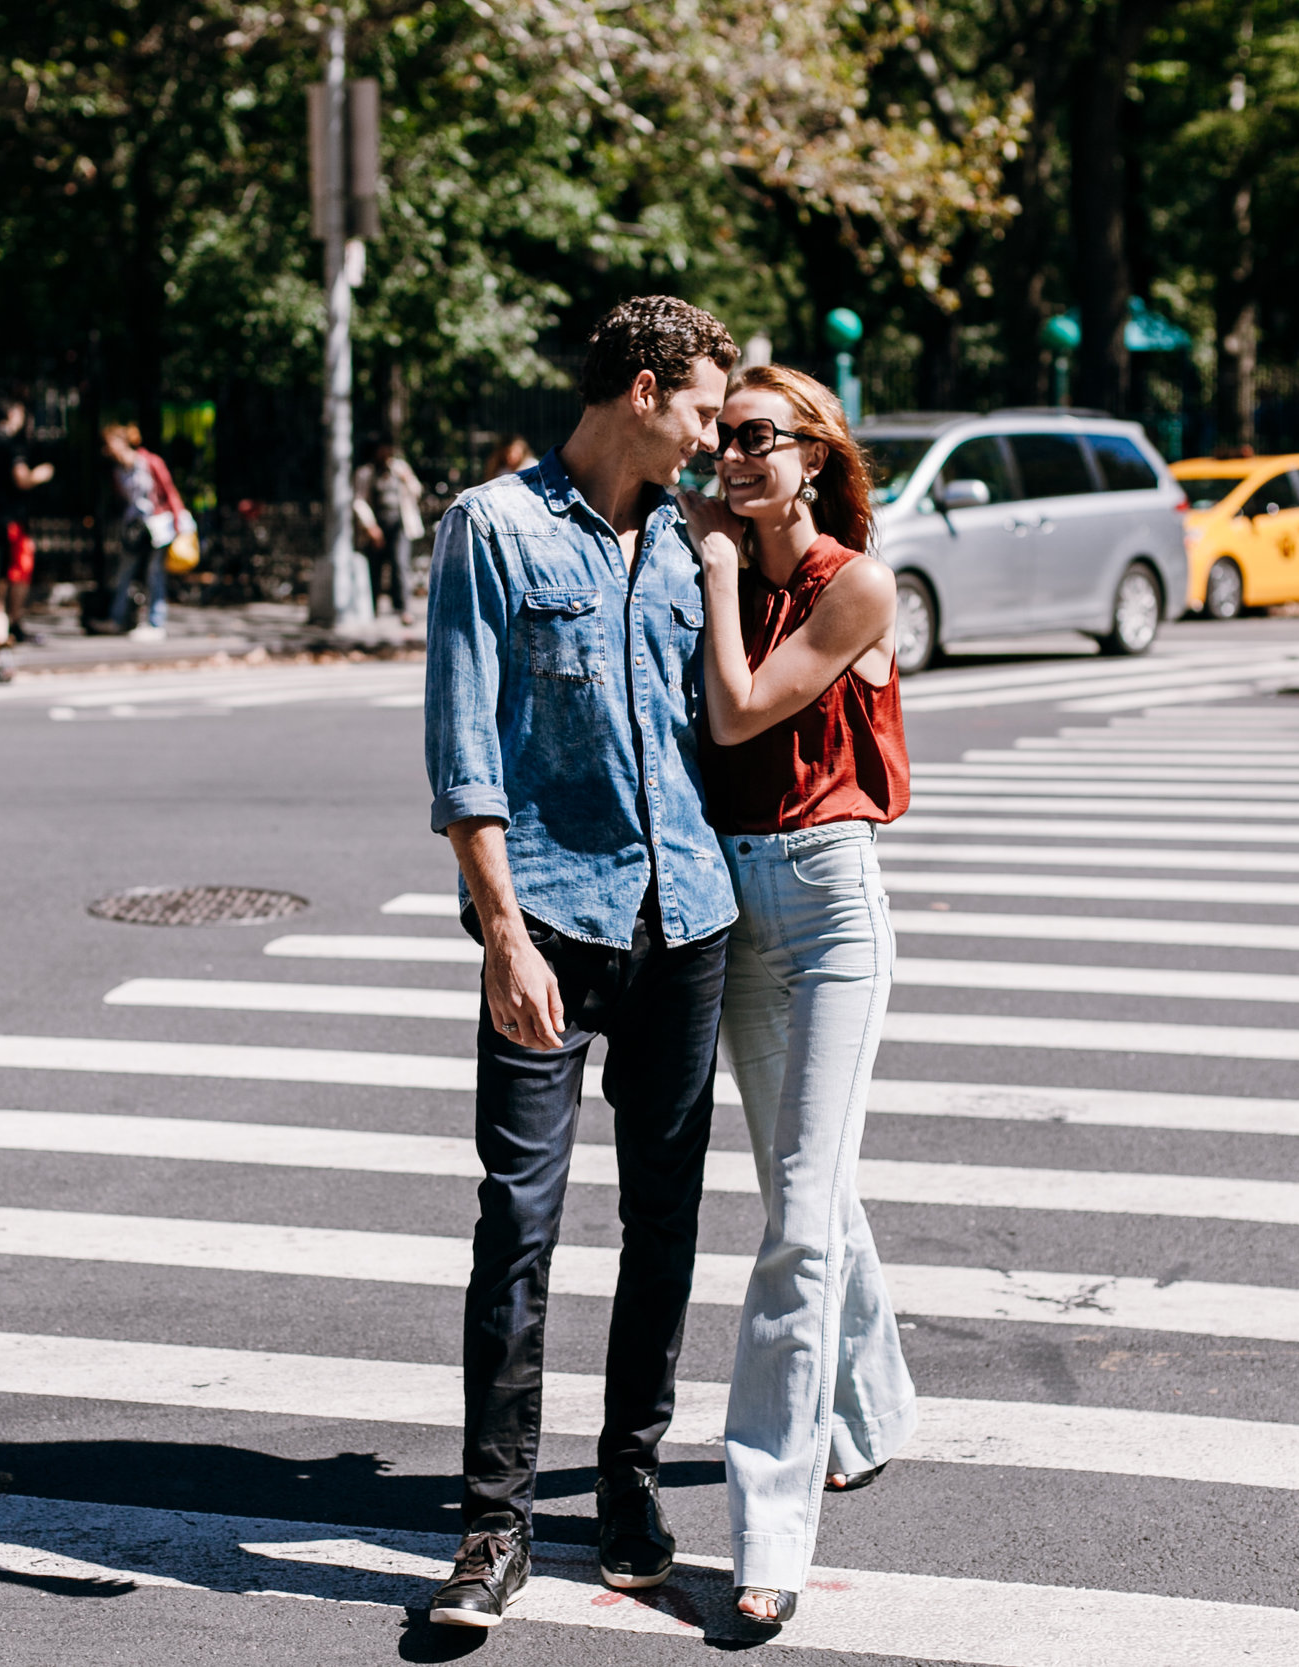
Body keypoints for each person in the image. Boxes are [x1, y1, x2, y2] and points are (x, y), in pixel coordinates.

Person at [421, 296, 739, 1629]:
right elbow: (464, 753)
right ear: (651, 390)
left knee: (663, 1224)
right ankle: (495, 1522)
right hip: (548, 917)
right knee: (520, 1221)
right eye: (710, 412)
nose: (720, 439)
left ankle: (626, 1481)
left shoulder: (696, 540)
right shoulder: (490, 528)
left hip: (690, 920)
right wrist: (502, 931)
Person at [680, 365, 916, 1632]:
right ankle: (873, 1407)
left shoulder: (853, 583)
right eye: (719, 440)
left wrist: (717, 574)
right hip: (734, 902)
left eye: (757, 439)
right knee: (804, 1192)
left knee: (799, 1227)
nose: (731, 458)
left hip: (828, 909)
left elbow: (738, 713)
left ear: (814, 456)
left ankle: (766, 1527)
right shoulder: (723, 563)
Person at [0, 398, 54, 642]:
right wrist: (41, 475)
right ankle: (13, 621)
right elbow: (22, 478)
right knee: (18, 570)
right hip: (12, 518)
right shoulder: (11, 445)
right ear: (10, 414)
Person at [102, 422, 188, 641]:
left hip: (158, 525)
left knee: (155, 572)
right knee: (125, 571)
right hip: (135, 528)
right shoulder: (118, 471)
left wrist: (179, 520)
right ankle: (118, 618)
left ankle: (155, 622)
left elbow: (169, 490)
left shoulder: (150, 462)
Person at [353, 435, 427, 624]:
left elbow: (417, 491)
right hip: (377, 524)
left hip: (400, 524)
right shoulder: (366, 473)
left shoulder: (400, 469)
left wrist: (406, 479)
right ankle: (372, 608)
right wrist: (371, 527)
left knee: (400, 564)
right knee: (375, 567)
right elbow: (359, 501)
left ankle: (404, 609)